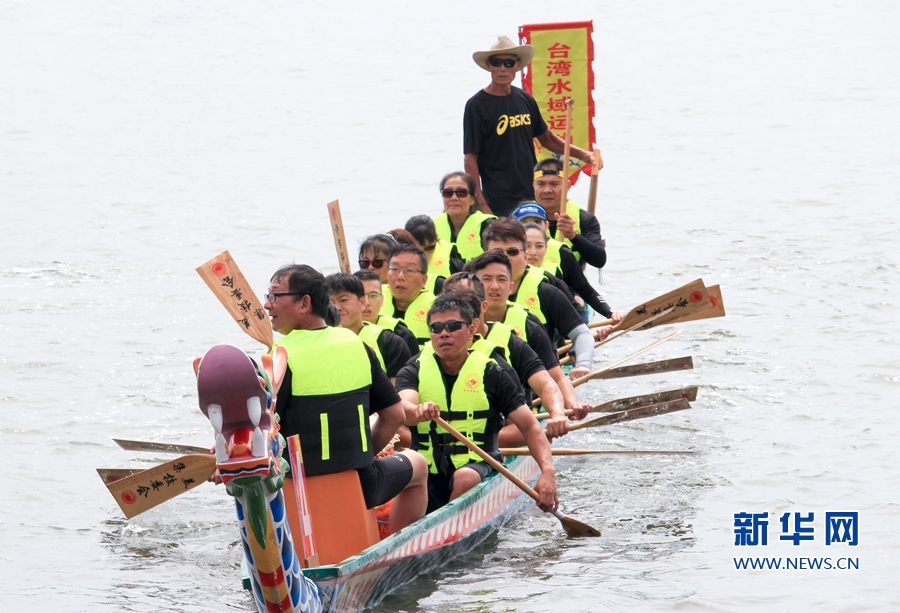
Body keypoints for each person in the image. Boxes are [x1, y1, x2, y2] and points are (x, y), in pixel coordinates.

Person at [264, 264, 428, 532]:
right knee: (419, 464)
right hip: (360, 480)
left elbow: (265, 428)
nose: (267, 306)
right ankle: (395, 551)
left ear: (305, 303)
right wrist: (365, 456)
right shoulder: (358, 345)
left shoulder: (278, 356)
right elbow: (395, 416)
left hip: (298, 486)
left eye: (274, 296)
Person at [395, 292, 558, 513]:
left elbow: (530, 427)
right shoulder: (413, 369)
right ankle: (403, 542)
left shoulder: (493, 372)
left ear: (472, 329)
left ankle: (446, 525)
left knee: (464, 478)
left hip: (477, 464)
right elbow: (405, 406)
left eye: (453, 326)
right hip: (427, 467)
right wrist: (417, 410)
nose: (444, 333)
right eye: (436, 328)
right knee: (406, 466)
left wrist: (547, 472)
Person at [464, 35, 597, 217]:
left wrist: (584, 155)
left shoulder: (525, 99)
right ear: (489, 65)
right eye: (497, 62)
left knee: (535, 243)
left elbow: (547, 138)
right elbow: (470, 159)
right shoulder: (476, 106)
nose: (502, 69)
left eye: (509, 63)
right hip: (498, 200)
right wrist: (481, 202)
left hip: (532, 196)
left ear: (518, 66)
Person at [440, 279, 576, 446]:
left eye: (464, 304)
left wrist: (557, 415)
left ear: (482, 307)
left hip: (501, 432)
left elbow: (547, 383)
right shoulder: (427, 355)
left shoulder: (509, 346)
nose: (457, 312)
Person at [466, 250, 593, 415]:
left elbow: (555, 377)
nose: (494, 286)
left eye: (501, 279)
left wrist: (570, 404)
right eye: (486, 279)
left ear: (511, 287)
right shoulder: (455, 328)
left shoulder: (529, 324)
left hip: (519, 414)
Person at [479, 219, 596, 379]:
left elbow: (582, 333)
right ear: (486, 255)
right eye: (499, 253)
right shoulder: (469, 293)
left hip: (538, 382)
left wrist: (583, 364)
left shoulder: (546, 291)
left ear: (525, 255)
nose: (506, 259)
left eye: (513, 252)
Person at [326, 273, 412, 380]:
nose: (337, 307)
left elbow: (399, 391)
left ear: (362, 302)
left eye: (343, 300)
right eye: (330, 302)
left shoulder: (391, 343)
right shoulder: (319, 342)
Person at [532, 158, 607, 268]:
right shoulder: (521, 218)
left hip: (571, 283)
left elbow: (600, 260)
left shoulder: (585, 219)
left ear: (567, 186)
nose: (547, 190)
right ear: (533, 186)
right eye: (541, 184)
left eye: (554, 184)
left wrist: (573, 236)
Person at [382, 244, 437, 348]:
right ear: (387, 275)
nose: (400, 277)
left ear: (424, 280)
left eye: (409, 270)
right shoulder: (371, 302)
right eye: (394, 269)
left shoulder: (437, 309)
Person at [354, 269, 420, 356]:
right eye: (360, 296)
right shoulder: (338, 332)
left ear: (382, 300)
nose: (366, 303)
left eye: (373, 296)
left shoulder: (401, 334)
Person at [433, 171, 496, 262]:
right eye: (448, 193)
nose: (454, 198)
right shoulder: (433, 227)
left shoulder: (488, 226)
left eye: (461, 193)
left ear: (473, 199)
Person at [405, 214, 463, 294]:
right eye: (416, 250)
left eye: (429, 248)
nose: (424, 255)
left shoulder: (451, 258)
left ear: (436, 238)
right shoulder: (394, 262)